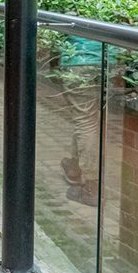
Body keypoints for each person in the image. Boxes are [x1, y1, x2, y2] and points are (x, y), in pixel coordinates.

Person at [57, 35, 104, 207]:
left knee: (85, 121)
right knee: (87, 119)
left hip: (81, 59)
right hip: (109, 57)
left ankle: (92, 187)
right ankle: (74, 168)